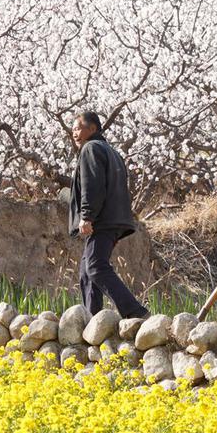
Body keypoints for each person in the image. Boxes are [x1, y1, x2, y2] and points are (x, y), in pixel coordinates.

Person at [67, 110, 149, 319]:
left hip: (103, 220)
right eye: (73, 129)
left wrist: (87, 216)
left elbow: (92, 186)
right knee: (87, 270)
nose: (74, 133)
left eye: (78, 128)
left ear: (92, 129)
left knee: (95, 266)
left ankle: (136, 312)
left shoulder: (91, 149)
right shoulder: (110, 151)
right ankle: (92, 319)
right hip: (115, 218)